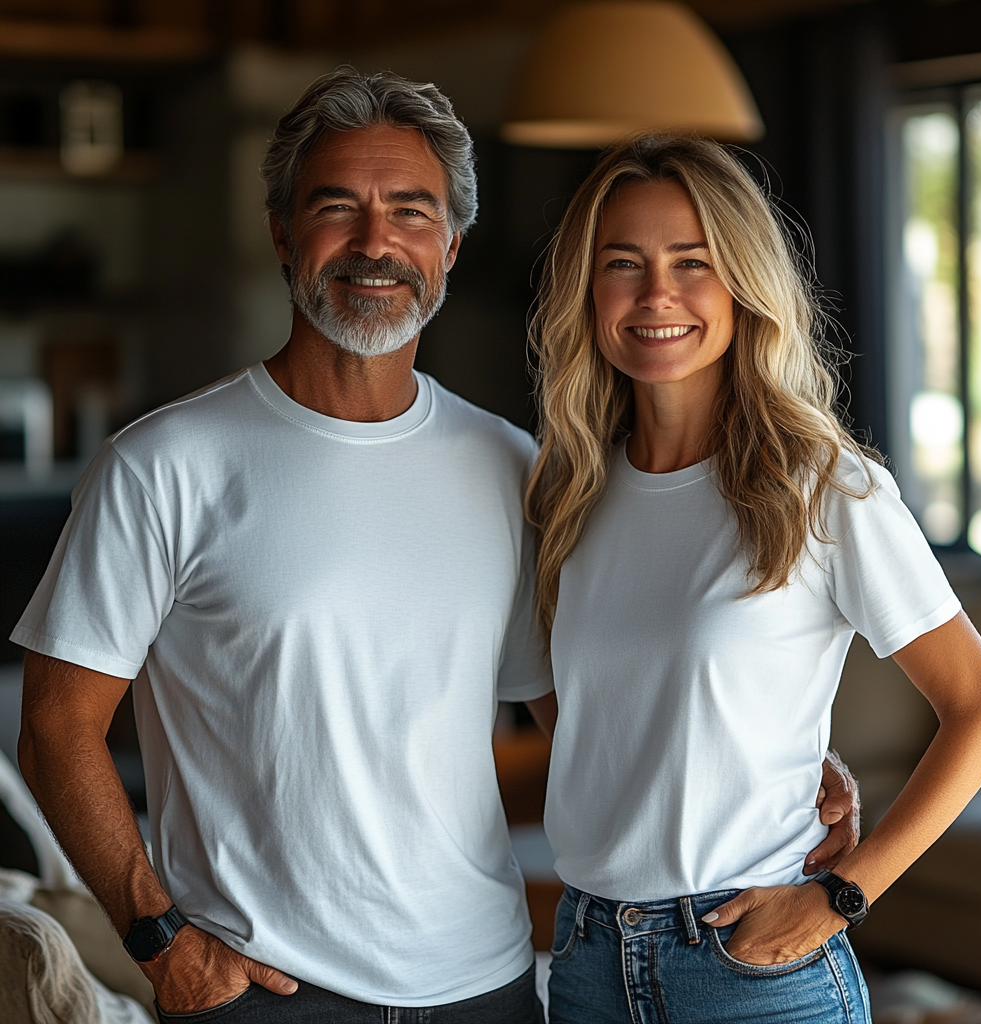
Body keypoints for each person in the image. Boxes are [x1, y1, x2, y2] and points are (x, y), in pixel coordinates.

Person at [12, 71, 854, 1023]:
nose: (377, 242)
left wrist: (776, 768)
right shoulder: (163, 465)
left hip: (488, 985)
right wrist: (157, 939)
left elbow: (588, 704)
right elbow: (52, 727)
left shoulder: (512, 465)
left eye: (411, 210)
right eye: (339, 207)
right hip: (263, 992)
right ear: (284, 233)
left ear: (450, 245)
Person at [525, 132, 981, 1024]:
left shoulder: (826, 486)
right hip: (590, 959)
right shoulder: (568, 493)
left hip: (750, 968)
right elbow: (577, 708)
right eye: (622, 263)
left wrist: (844, 895)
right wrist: (764, 753)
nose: (657, 295)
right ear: (587, 292)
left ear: (744, 282)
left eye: (693, 262)